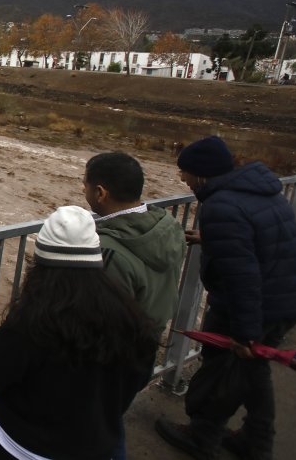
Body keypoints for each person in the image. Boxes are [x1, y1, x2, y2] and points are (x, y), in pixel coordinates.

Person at [0, 206, 157, 460]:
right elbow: (139, 377)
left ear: (41, 261)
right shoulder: (131, 318)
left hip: (21, 449)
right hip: (94, 448)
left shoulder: (34, 321)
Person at [155, 135, 296, 460]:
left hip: (255, 307)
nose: (182, 179)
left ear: (202, 173)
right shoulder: (259, 191)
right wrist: (213, 238)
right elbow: (257, 241)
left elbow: (242, 276)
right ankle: (256, 440)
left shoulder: (221, 206)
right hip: (284, 298)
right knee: (254, 373)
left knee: (221, 370)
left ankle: (204, 437)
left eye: (185, 172)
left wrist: (245, 333)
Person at [83, 152, 187, 460]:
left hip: (110, 362)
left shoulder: (110, 252)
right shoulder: (165, 229)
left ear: (100, 193)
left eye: (85, 185)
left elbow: (100, 320)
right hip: (144, 350)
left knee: (94, 428)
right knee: (111, 420)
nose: (83, 191)